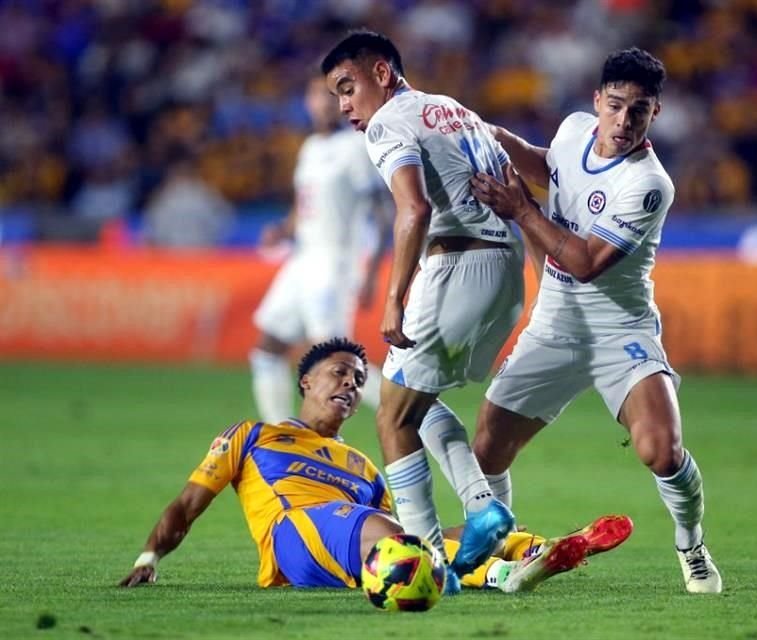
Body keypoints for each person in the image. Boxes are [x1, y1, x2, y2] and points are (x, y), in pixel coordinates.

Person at [467, 48, 723, 594]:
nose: (624, 121)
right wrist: (493, 137)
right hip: (554, 327)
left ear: (656, 113)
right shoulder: (574, 130)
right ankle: (501, 550)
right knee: (486, 447)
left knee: (661, 450)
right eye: (616, 106)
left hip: (620, 332)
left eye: (639, 110)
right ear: (596, 102)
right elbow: (547, 166)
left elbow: (582, 263)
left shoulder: (649, 184)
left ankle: (691, 542)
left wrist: (520, 210)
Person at [118, 338, 633, 593]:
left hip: (358, 543)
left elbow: (408, 533)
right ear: (305, 383)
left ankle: (528, 549)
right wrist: (149, 559)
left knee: (429, 539)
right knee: (389, 534)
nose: (350, 385)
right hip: (293, 537)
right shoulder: (255, 435)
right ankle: (498, 573)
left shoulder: (363, 465)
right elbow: (187, 505)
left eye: (359, 379)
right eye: (338, 373)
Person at [320, 30, 524, 586]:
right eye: (336, 95)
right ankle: (482, 506)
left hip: (456, 265)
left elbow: (414, 209)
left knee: (391, 416)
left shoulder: (389, 123)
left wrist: (393, 297)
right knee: (409, 397)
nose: (344, 107)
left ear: (382, 73)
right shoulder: (450, 108)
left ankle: (427, 561)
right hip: (506, 266)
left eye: (348, 87)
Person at [249, 65, 391, 423]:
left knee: (335, 359)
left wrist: (372, 271)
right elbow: (303, 204)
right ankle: (279, 434)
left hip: (335, 263)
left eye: (332, 96)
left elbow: (383, 213)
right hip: (302, 260)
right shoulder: (311, 148)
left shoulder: (356, 148)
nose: (323, 104)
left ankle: (403, 409)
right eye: (316, 95)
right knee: (267, 348)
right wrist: (283, 229)